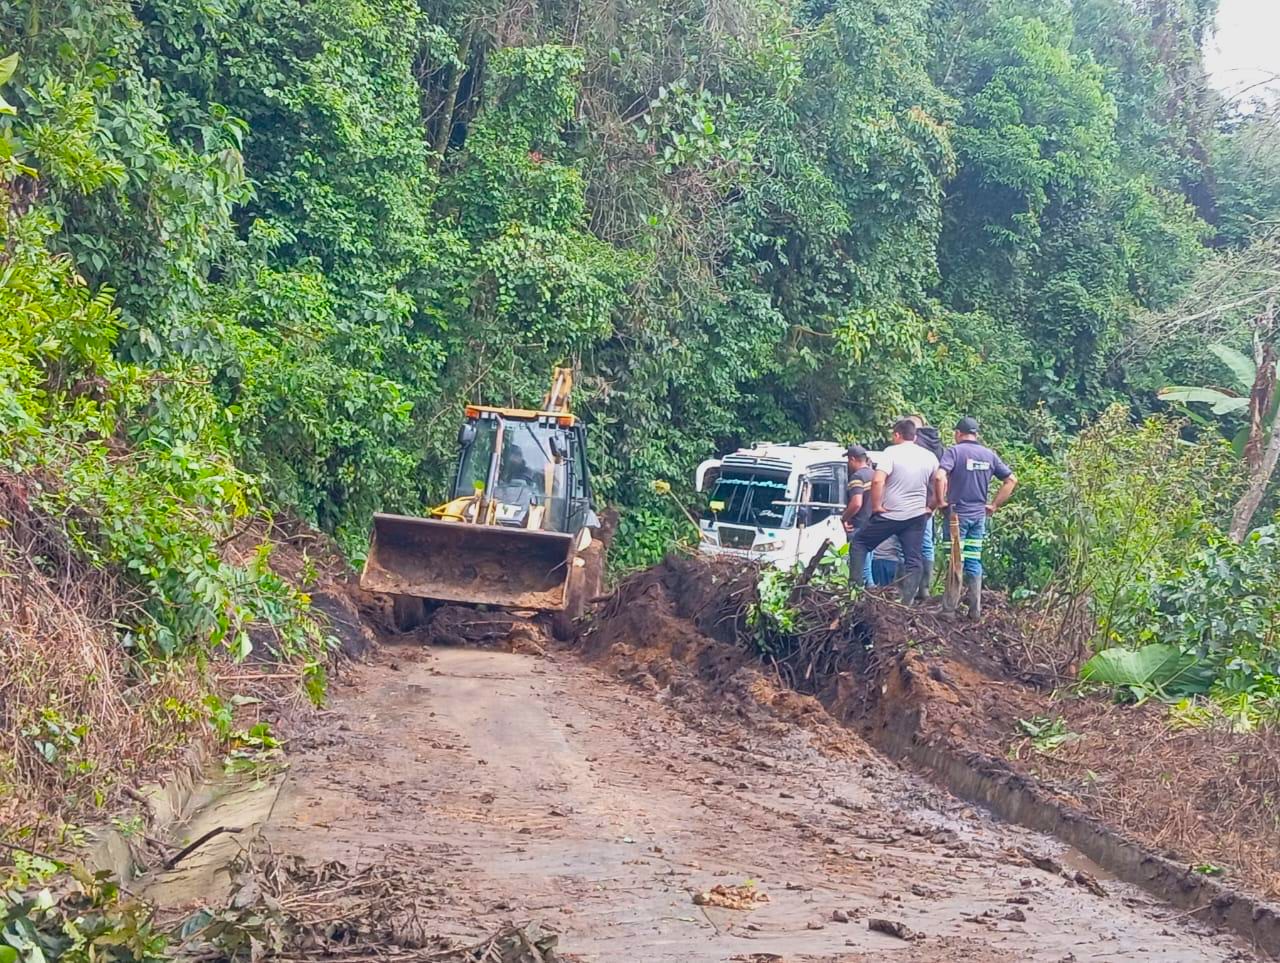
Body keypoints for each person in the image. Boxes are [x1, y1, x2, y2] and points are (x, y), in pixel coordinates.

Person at [849, 418, 944, 602]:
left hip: (890, 515)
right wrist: (932, 506)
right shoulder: (929, 456)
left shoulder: (890, 452)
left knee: (860, 544)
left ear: (897, 434)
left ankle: (855, 593)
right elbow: (940, 480)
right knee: (913, 560)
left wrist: (876, 506)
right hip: (916, 516)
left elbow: (878, 480)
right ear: (914, 437)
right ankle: (906, 603)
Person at [938, 416, 1017, 620]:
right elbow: (1011, 480)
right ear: (976, 434)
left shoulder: (954, 452)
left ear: (958, 433)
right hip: (979, 516)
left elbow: (939, 476)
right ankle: (975, 609)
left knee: (955, 559)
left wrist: (940, 501)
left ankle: (948, 610)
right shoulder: (989, 455)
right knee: (973, 559)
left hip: (957, 515)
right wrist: (994, 505)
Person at [909, 414, 944, 601]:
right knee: (926, 544)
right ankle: (924, 589)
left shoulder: (913, 446)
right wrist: (937, 502)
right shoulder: (937, 445)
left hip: (912, 501)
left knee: (906, 544)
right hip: (930, 501)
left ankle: (907, 590)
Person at [841, 445, 875, 583]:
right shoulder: (874, 474)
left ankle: (865, 597)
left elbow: (856, 503)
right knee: (868, 565)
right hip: (873, 524)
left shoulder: (857, 477)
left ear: (853, 459)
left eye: (849, 460)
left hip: (859, 525)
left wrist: (844, 518)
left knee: (861, 569)